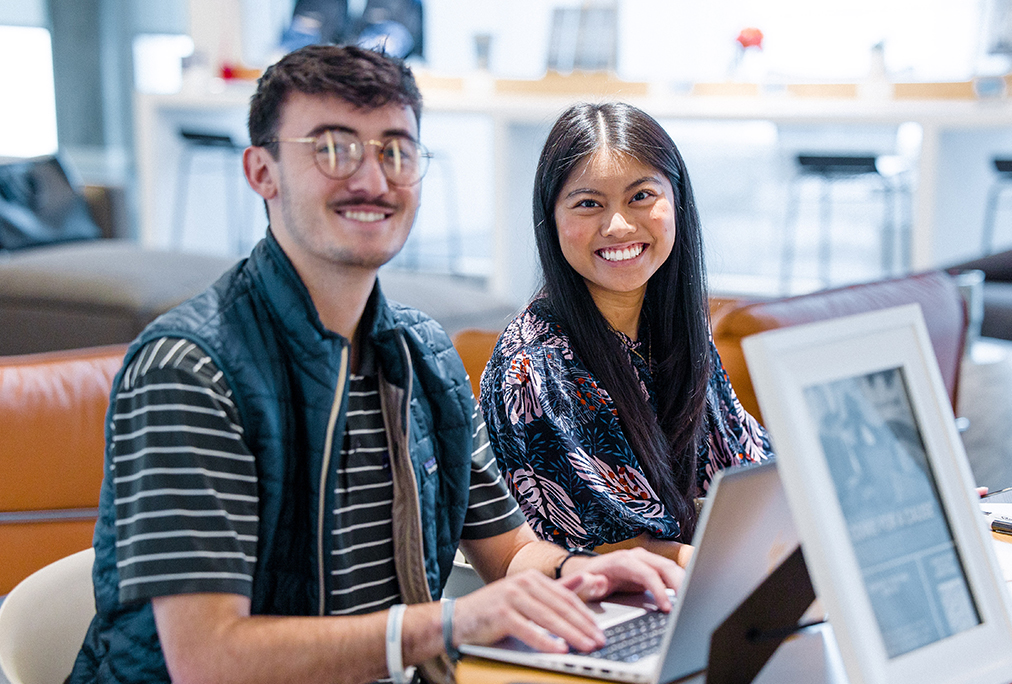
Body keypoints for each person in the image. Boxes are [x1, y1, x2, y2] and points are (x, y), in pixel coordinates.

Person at [67, 48, 682, 684]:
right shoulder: (188, 373)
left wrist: (572, 572)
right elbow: (209, 658)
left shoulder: (426, 357)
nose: (371, 178)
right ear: (262, 171)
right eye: (333, 148)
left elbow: (510, 551)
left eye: (395, 151)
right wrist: (446, 624)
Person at [480, 102, 773, 568]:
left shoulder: (678, 332)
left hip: (691, 593)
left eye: (641, 196)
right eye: (589, 203)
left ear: (676, 201)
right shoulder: (533, 366)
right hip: (597, 616)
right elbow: (614, 549)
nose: (618, 226)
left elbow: (749, 472)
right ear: (551, 219)